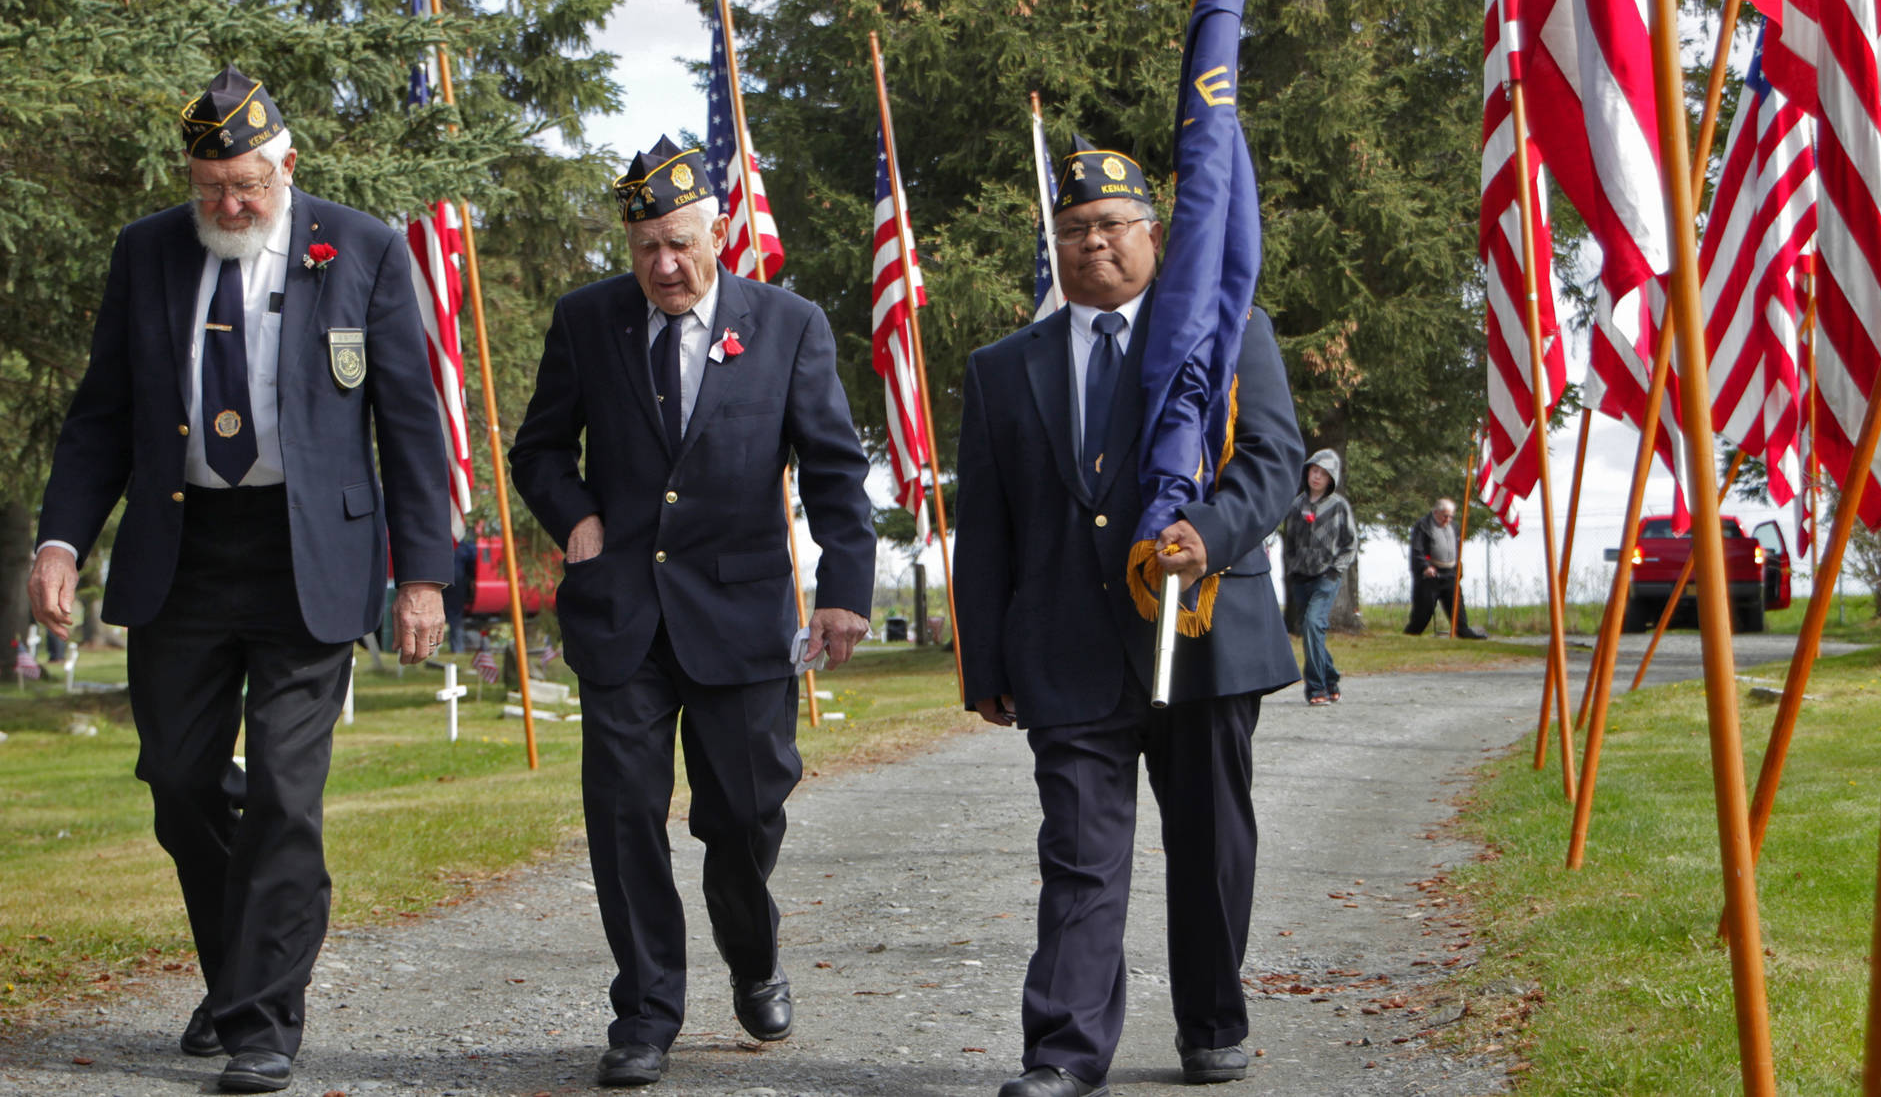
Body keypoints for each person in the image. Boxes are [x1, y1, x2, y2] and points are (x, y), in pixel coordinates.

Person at [27, 67, 452, 1093]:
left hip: (309, 555)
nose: (229, 204)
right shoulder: (148, 253)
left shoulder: (360, 249)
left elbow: (409, 421)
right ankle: (242, 968)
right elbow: (100, 416)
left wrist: (423, 576)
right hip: (183, 549)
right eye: (210, 184)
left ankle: (263, 1016)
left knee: (284, 794)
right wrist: (58, 541)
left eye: (248, 184)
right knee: (178, 783)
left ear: (287, 165)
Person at [508, 138, 876, 1089]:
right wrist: (577, 514)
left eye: (678, 243)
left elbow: (835, 469)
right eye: (644, 249)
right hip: (623, 614)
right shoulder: (587, 322)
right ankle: (646, 1010)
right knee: (624, 817)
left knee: (745, 815)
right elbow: (539, 449)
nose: (664, 267)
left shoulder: (788, 325)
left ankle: (752, 956)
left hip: (744, 617)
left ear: (718, 228)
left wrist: (844, 591)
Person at [954, 138, 1304, 1097]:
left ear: (1155, 234)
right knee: (1078, 858)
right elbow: (985, 527)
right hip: (1064, 652)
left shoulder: (1226, 333)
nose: (1093, 244)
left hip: (1201, 637)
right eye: (1072, 230)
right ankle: (1063, 1054)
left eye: (1111, 226)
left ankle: (1211, 1022)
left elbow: (1272, 462)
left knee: (1209, 848)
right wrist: (983, 661)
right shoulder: (999, 370)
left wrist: (1208, 530)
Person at [1280, 449, 1357, 704]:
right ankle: (1331, 677)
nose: (1317, 477)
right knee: (1311, 631)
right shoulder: (1295, 505)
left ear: (1330, 479)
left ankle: (1316, 689)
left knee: (1314, 624)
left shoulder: (1338, 506)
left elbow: (1350, 543)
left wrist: (1336, 569)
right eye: (1314, 471)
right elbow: (1288, 541)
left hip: (1327, 576)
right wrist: (1291, 568)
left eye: (1323, 474)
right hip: (1300, 577)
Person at [1404, 498, 1485, 638]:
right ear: (1436, 512)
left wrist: (1458, 568)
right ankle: (1411, 635)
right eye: (1445, 516)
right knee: (1423, 613)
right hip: (1431, 576)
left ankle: (1463, 631)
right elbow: (1417, 550)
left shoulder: (1454, 527)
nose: (1448, 519)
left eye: (1451, 516)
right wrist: (1425, 567)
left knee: (1457, 608)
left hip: (1450, 574)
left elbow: (1457, 549)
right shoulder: (1423, 525)